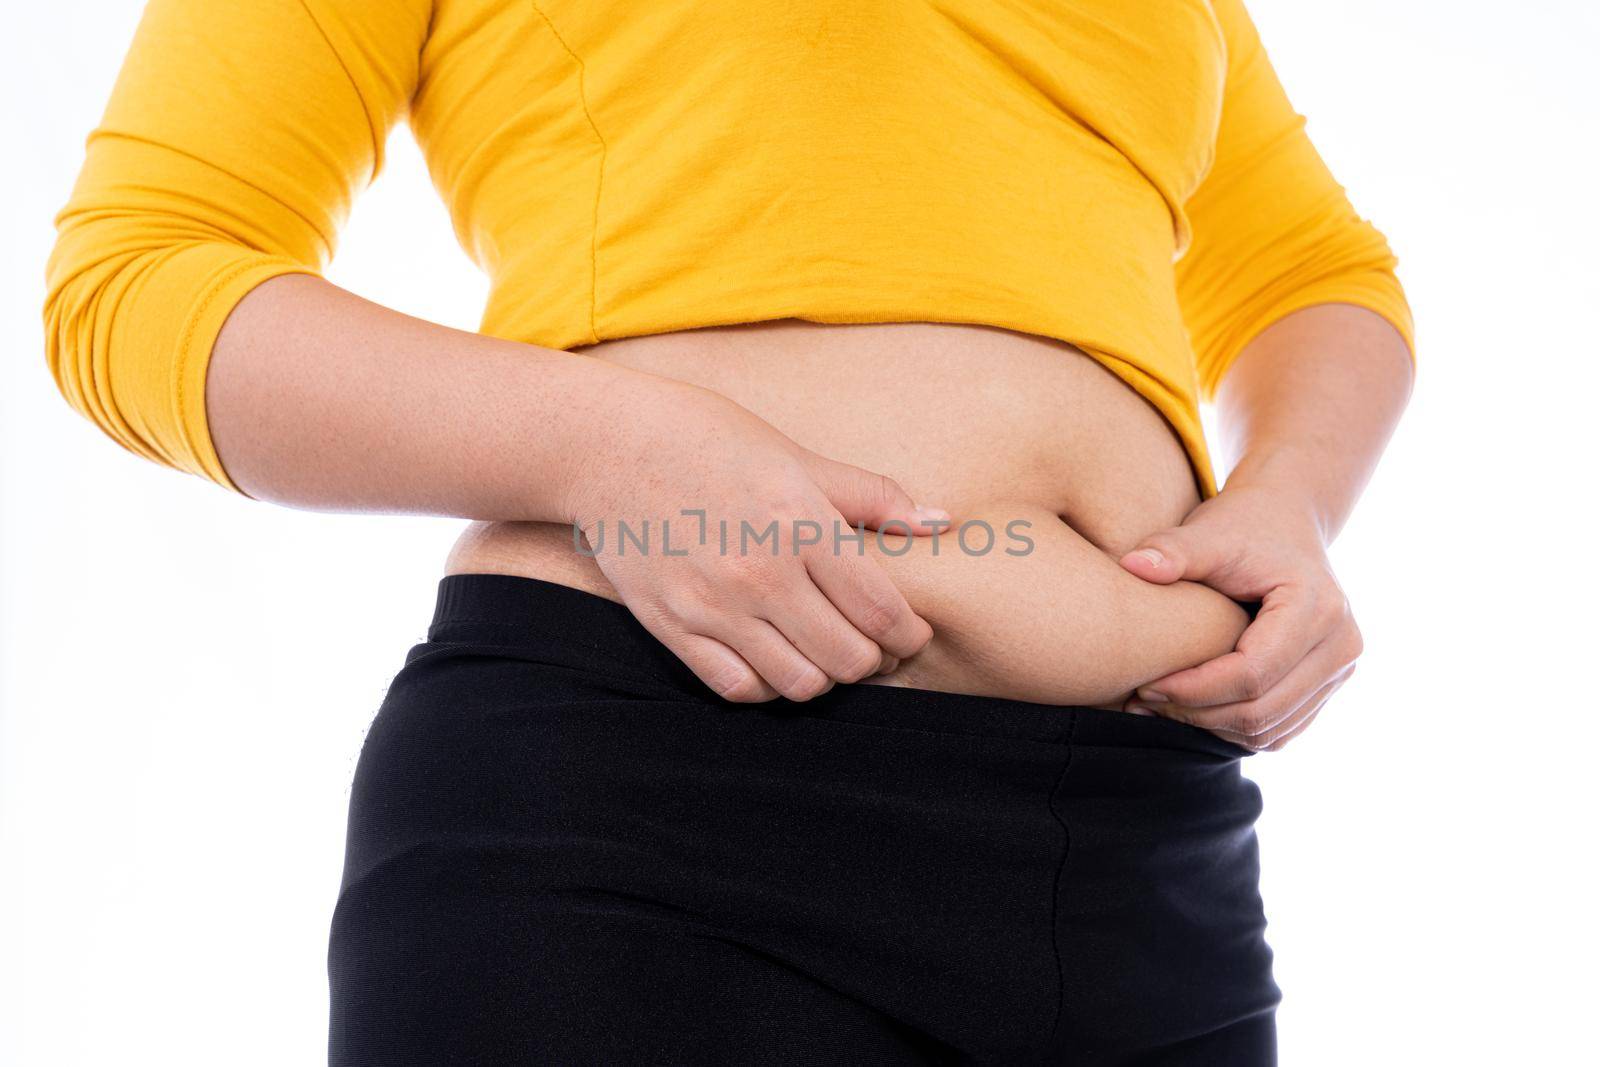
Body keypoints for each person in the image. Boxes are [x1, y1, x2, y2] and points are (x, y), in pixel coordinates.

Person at [44, 0, 1414, 1062]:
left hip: (1146, 848)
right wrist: (611, 448)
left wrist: (1289, 500)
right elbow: (140, 277)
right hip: (654, 805)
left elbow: (1310, 271)